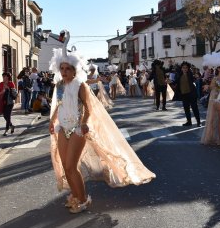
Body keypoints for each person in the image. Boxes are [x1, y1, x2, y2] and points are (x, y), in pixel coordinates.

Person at [48, 30, 155, 214]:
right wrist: (52, 120)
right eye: (62, 68)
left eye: (68, 69)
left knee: (72, 166)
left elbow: (88, 108)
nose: (64, 72)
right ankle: (74, 196)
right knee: (66, 167)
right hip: (61, 128)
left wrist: (84, 123)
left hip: (77, 129)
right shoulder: (58, 86)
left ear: (74, 70)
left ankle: (83, 200)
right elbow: (58, 105)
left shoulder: (80, 86)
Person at [175, 61, 201, 127]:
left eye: (186, 68)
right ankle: (189, 122)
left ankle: (198, 122)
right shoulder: (179, 75)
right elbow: (176, 82)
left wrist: (196, 76)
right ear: (181, 68)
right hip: (184, 95)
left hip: (192, 94)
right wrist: (170, 82)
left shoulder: (190, 74)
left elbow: (194, 78)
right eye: (183, 68)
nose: (185, 69)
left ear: (188, 68)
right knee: (186, 109)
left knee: (195, 108)